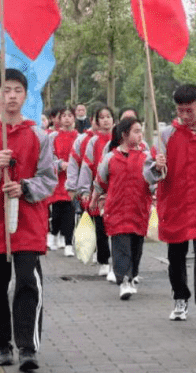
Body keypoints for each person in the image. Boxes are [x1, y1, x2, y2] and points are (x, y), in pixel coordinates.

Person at [0, 68, 56, 372]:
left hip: (28, 221)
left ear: (26, 95)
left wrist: (25, 187)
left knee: (28, 281)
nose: (11, 96)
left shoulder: (39, 136)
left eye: (17, 90)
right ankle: (3, 343)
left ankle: (28, 347)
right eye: (5, 91)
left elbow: (49, 179)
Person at [155, 84, 196, 326]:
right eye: (180, 111)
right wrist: (157, 165)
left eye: (189, 111)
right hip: (176, 203)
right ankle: (179, 297)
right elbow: (150, 172)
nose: (184, 116)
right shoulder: (166, 135)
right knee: (176, 255)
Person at [94, 117, 160, 301]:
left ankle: (131, 276)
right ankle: (123, 281)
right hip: (116, 209)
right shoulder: (110, 158)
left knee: (136, 247)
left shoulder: (147, 158)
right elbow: (100, 182)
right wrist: (93, 200)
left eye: (141, 131)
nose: (140, 135)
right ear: (124, 135)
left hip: (139, 209)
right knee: (121, 246)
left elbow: (154, 181)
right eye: (136, 131)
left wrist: (157, 192)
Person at [77, 106, 115, 281]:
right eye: (102, 117)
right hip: (98, 191)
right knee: (100, 227)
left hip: (117, 192)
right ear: (96, 122)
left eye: (109, 117)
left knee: (116, 229)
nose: (106, 120)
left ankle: (118, 263)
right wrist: (84, 190)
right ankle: (103, 261)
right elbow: (86, 166)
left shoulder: (120, 138)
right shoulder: (93, 142)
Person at [45, 107, 78, 257]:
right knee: (57, 212)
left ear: (74, 118)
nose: (66, 118)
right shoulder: (52, 137)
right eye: (63, 115)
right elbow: (48, 157)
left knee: (70, 213)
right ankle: (53, 233)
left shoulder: (79, 137)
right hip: (57, 180)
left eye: (70, 115)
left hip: (72, 181)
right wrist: (59, 164)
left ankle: (69, 243)